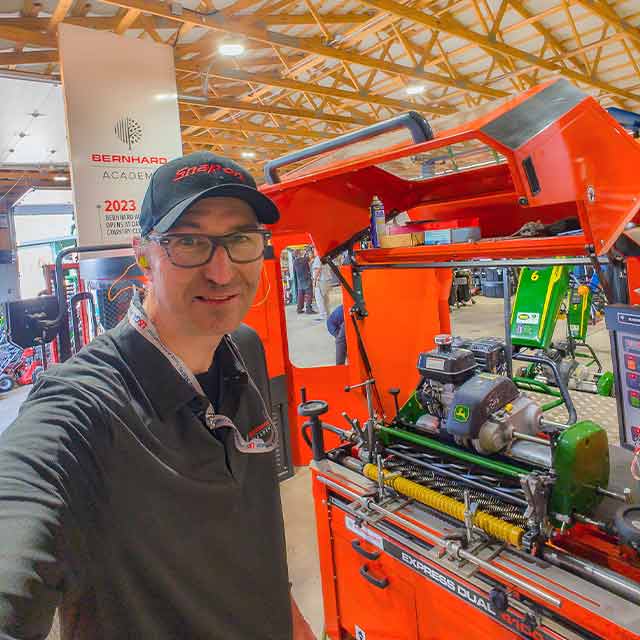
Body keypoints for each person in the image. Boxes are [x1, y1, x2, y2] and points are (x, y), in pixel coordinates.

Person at [0, 152, 314, 640]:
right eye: (188, 241)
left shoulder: (244, 349)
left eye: (240, 239)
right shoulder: (83, 408)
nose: (222, 272)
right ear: (144, 254)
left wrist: (290, 620)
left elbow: (250, 535)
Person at [311, 249, 332, 320]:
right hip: (327, 280)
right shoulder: (325, 257)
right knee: (326, 299)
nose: (313, 251)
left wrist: (314, 281)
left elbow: (318, 270)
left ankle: (323, 315)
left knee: (319, 299)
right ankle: (327, 314)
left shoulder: (318, 258)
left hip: (321, 281)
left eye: (314, 250)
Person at [293, 249, 314, 314]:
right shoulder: (304, 259)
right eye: (300, 251)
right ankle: (308, 309)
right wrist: (308, 251)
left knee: (300, 296)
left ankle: (299, 309)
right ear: (299, 253)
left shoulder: (295, 262)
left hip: (300, 281)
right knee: (309, 295)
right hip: (307, 280)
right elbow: (311, 257)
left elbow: (295, 272)